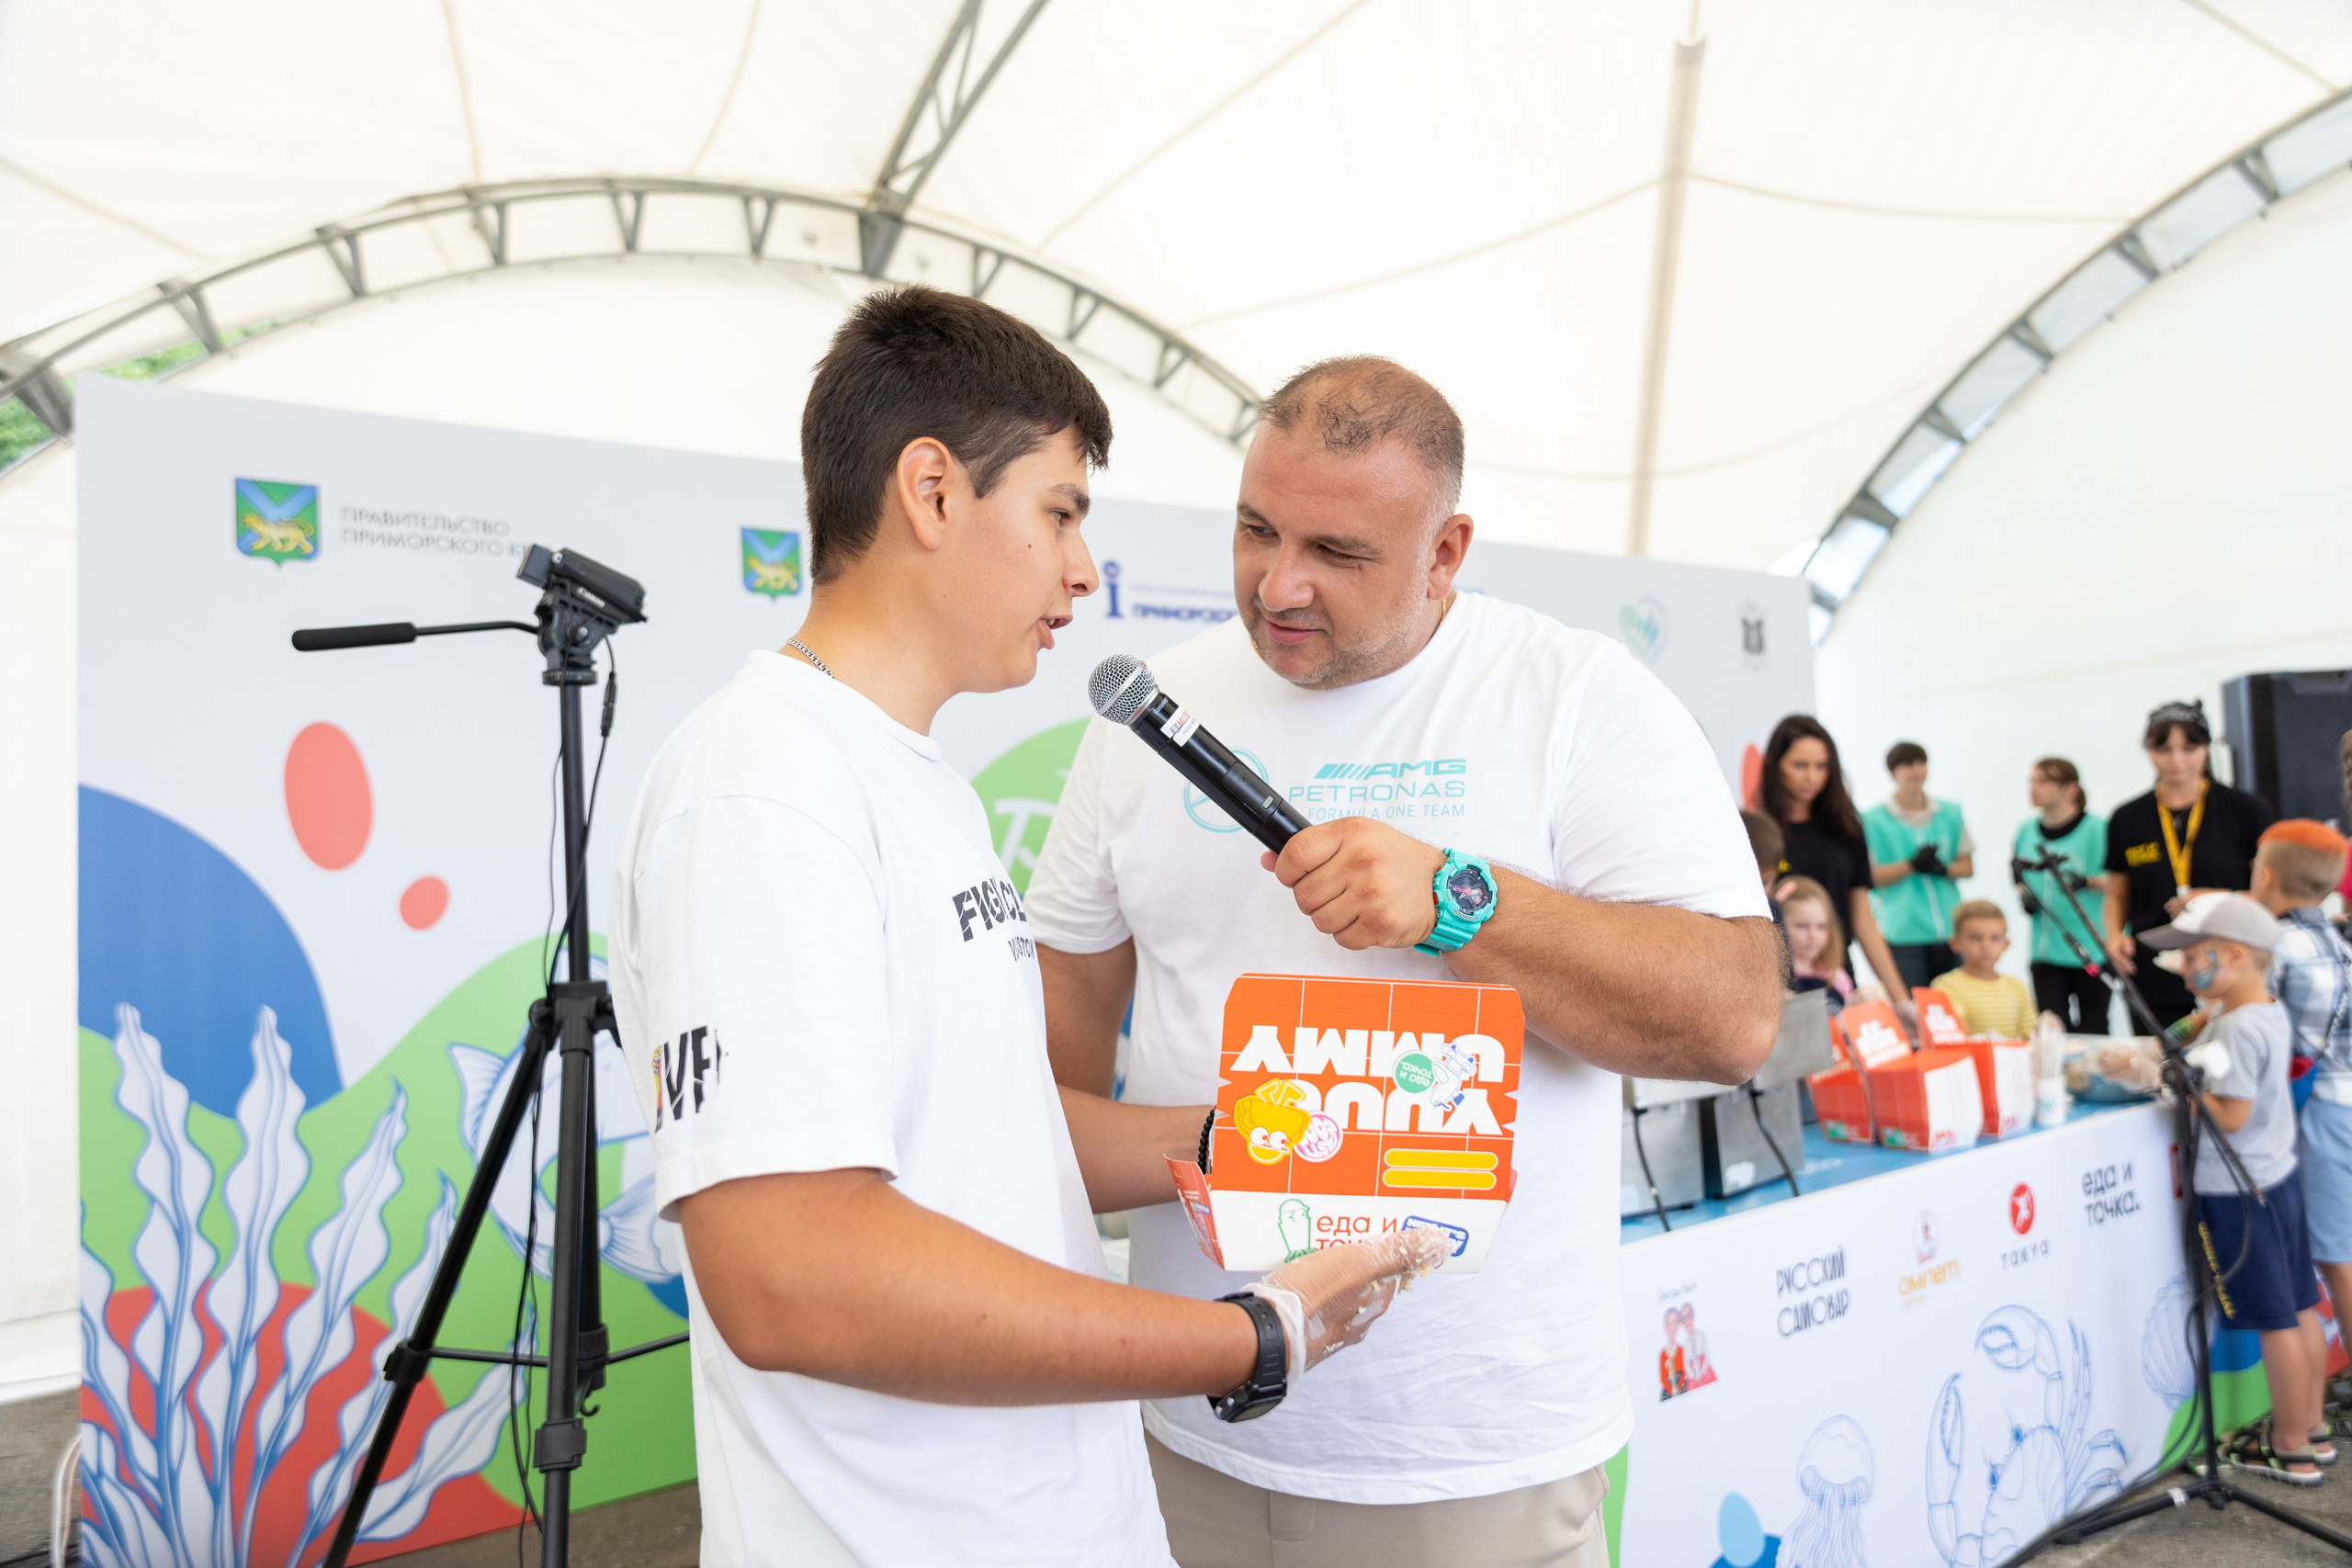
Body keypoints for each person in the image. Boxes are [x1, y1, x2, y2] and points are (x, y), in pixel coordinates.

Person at [605, 290, 1441, 1568]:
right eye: (1058, 511)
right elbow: (788, 1268)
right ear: (932, 491)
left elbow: (980, 1121)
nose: (1082, 569)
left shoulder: (908, 772)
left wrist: (1243, 1136)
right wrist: (1257, 1334)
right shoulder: (762, 783)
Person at [1028, 355, 1783, 1568]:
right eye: (1258, 529)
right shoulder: (1146, 711)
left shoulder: (1576, 696)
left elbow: (1737, 1016)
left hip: (1468, 1451)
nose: (1280, 584)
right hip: (1191, 1412)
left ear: (1446, 551)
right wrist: (1238, 1154)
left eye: (1338, 550)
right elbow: (1047, 1086)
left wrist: (1459, 900)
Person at [2140, 893, 2324, 1484]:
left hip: (2240, 1190)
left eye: (2195, 954)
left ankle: (2291, 1446)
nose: (2184, 966)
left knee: (2275, 1320)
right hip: (2277, 1182)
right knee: (2298, 1309)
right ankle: (2310, 1429)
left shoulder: (2240, 1028)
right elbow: (2198, 1033)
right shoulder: (2256, 1010)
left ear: (2237, 956)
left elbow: (2233, 1114)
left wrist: (2170, 1089)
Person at [2248, 820, 2352, 1436]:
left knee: (2336, 1263)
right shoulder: (2341, 942)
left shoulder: (2276, 948)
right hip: (2345, 1104)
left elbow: (2254, 1029)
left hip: (2316, 1116)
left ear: (2264, 877)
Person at [2103, 699, 2276, 1030]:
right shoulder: (2127, 819)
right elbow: (2117, 894)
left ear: (2207, 747)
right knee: (2159, 1065)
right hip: (2153, 969)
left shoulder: (2246, 810)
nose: (2177, 760)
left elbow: (2269, 895)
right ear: (2148, 751)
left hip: (2228, 970)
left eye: (2189, 747)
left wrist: (2218, 899)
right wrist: (2113, 936)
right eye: (2164, 749)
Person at [1758, 716, 1914, 1023]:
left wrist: (1901, 1000)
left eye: (1822, 766)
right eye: (1800, 765)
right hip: (1777, 985)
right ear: (1776, 765)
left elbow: (1864, 922)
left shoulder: (1846, 829)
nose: (1811, 777)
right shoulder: (1760, 832)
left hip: (1835, 978)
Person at [1862, 741, 1973, 988]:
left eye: (1921, 763)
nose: (1916, 770)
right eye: (1907, 764)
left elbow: (1967, 866)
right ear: (1893, 773)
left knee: (1952, 1004)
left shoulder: (1950, 812)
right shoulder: (1872, 820)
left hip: (1950, 928)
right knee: (1914, 1007)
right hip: (1903, 931)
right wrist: (1910, 866)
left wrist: (1944, 869)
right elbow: (1868, 876)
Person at [2010, 757, 2109, 1032]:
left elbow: (2123, 882)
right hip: (2045, 950)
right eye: (2032, 780)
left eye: (2043, 781)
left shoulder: (2098, 829)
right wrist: (2024, 895)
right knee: (2051, 1028)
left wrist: (2088, 881)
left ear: (2070, 789)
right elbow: (2020, 873)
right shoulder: (2025, 831)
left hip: (2090, 948)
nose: (2034, 787)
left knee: (2095, 1026)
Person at [1931, 902, 2036, 1039]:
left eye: (1995, 938)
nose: (1986, 946)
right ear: (1955, 943)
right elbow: (1959, 1034)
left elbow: (2029, 1034)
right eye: (1976, 938)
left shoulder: (2016, 987)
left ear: (2006, 944)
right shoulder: (1945, 986)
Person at [1775, 874, 1852, 1009]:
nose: (1813, 935)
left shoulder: (1836, 977)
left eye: (1821, 926)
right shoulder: (1773, 979)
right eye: (1802, 926)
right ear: (1779, 926)